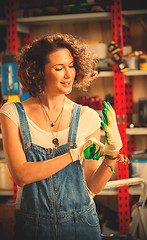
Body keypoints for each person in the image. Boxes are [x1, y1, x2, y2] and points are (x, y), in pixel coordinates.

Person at [0, 33, 123, 240]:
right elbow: (21, 175)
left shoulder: (87, 116)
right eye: (59, 68)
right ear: (38, 72)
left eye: (72, 65)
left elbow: (93, 185)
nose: (69, 74)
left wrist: (112, 155)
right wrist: (73, 155)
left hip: (82, 223)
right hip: (33, 226)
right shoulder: (12, 113)